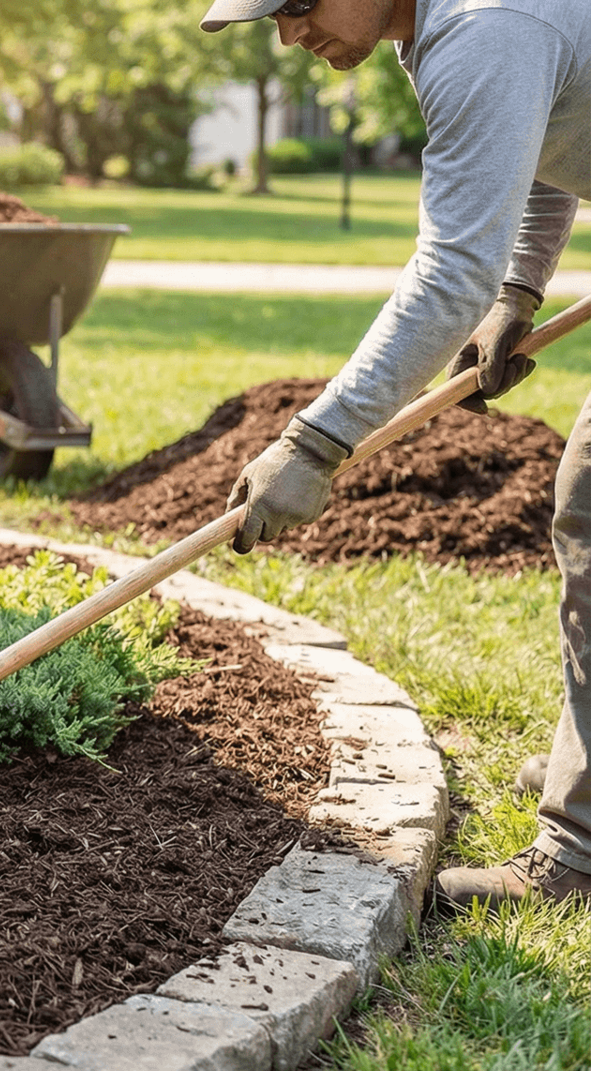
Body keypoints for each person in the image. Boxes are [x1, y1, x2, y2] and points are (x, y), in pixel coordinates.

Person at [199, 0, 591, 908]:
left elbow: (451, 270)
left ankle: (578, 854)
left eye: (294, 4)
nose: (288, 33)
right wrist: (520, 290)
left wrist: (316, 441)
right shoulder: (458, 24)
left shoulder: (486, 29)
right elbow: (546, 148)